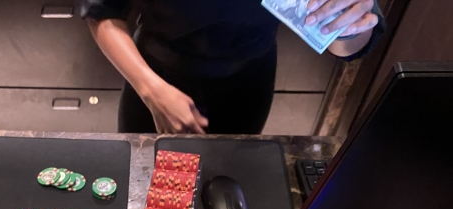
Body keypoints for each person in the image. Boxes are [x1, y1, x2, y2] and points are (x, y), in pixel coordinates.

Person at [81, 0, 385, 134]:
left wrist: (349, 22)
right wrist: (151, 90)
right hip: (155, 75)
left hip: (248, 84)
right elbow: (102, 12)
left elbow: (351, 46)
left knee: (227, 188)